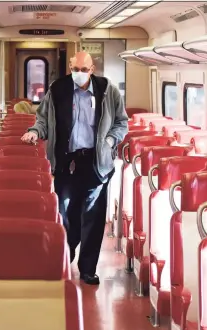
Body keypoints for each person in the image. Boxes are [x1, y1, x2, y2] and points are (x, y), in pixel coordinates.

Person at [21, 51, 128, 285]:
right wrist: (35, 132)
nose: (79, 74)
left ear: (93, 68)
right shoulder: (57, 89)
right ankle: (64, 257)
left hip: (95, 161)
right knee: (66, 215)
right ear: (70, 68)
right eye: (75, 69)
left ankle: (87, 269)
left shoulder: (107, 90)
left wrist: (109, 142)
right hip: (66, 161)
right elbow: (43, 119)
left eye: (84, 69)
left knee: (93, 216)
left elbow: (122, 122)